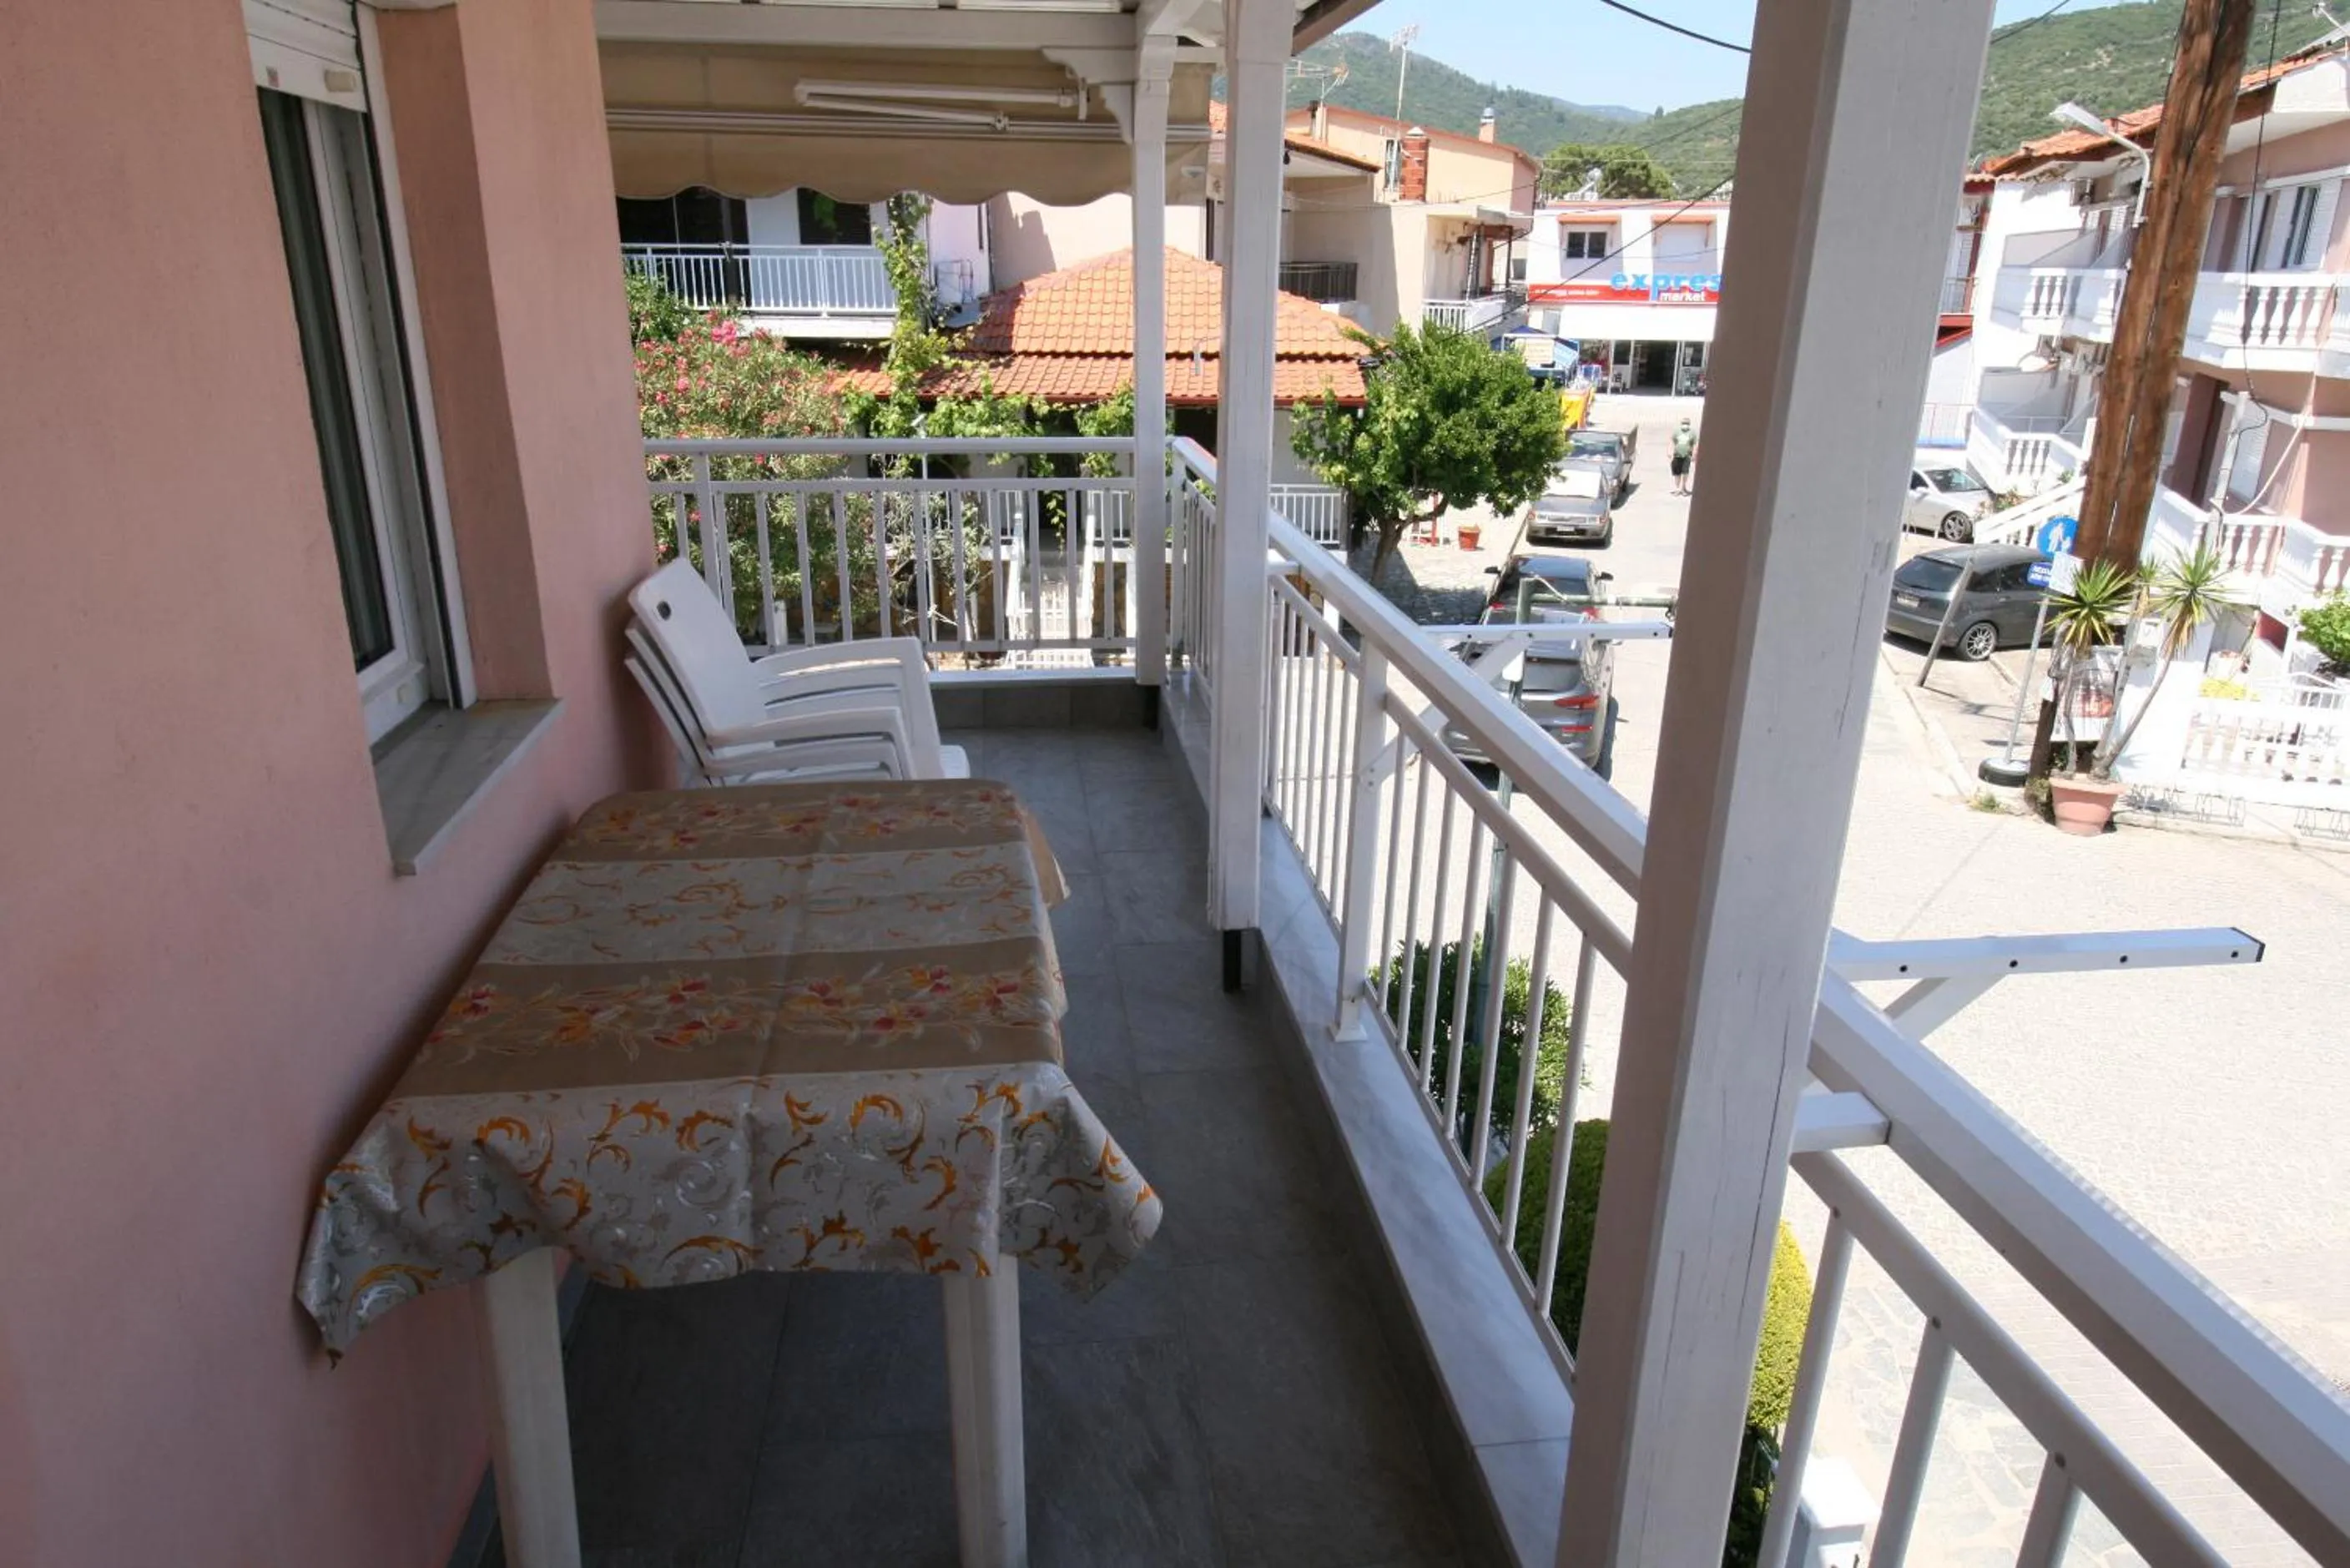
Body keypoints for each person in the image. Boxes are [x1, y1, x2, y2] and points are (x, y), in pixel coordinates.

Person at [1670, 417, 1697, 497]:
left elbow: (1695, 444)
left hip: (1687, 455)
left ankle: (1683, 488)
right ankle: (1678, 489)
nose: (1685, 425)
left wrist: (1694, 454)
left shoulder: (1692, 433)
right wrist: (1670, 452)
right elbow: (1672, 441)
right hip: (1677, 455)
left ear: (1689, 424)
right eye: (1684, 423)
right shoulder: (1677, 432)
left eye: (1687, 423)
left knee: (1685, 472)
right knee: (1677, 473)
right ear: (1681, 424)